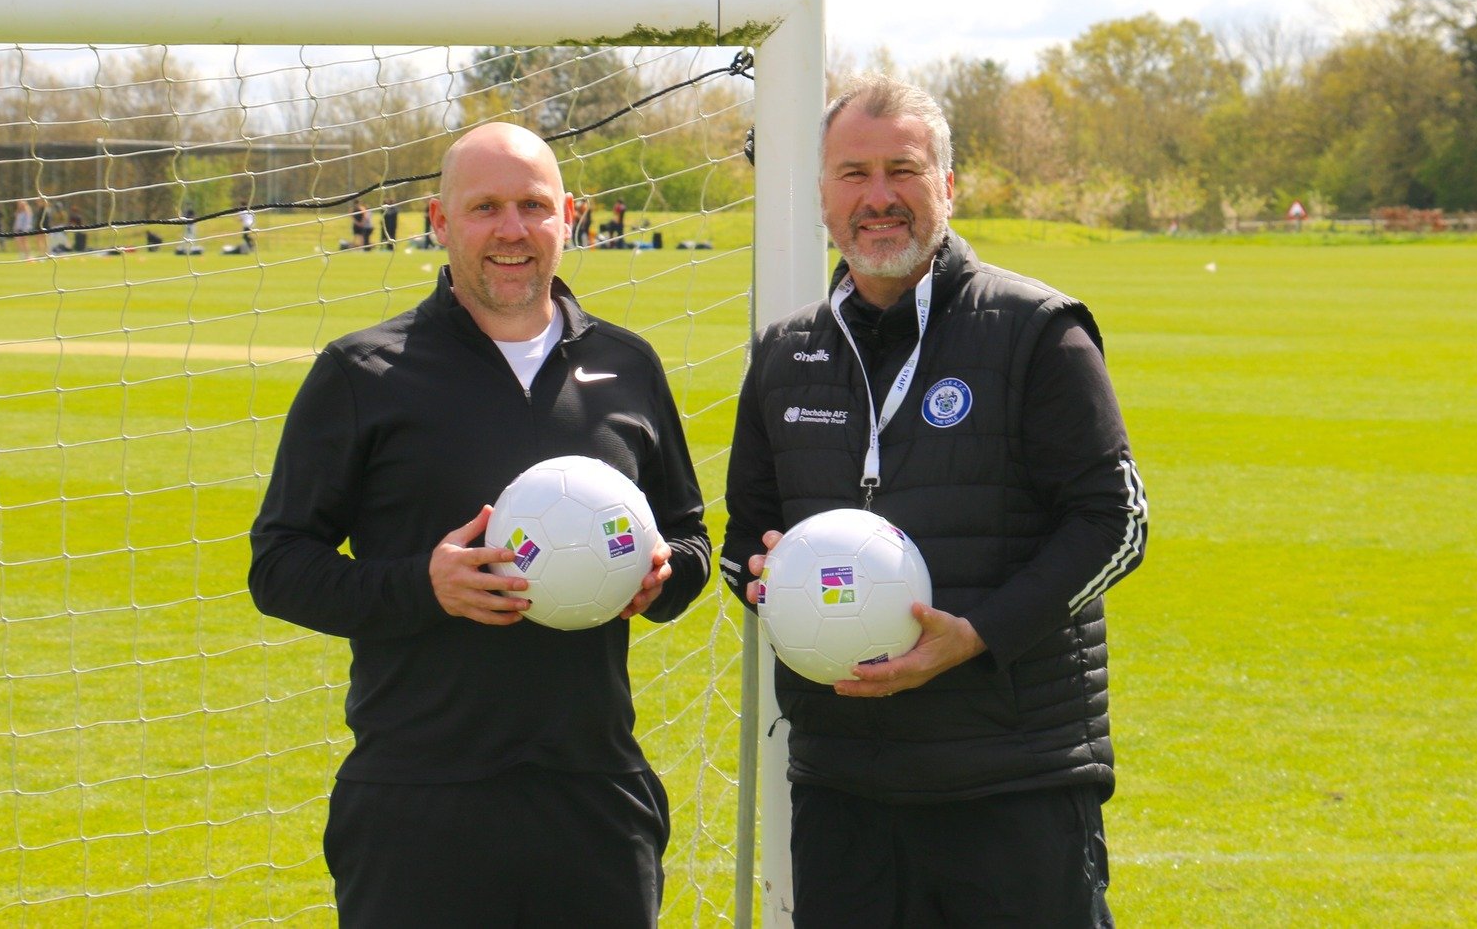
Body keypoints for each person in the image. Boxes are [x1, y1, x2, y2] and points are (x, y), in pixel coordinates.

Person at [249, 122, 711, 929]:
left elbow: (693, 539)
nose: (511, 230)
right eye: (485, 206)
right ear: (439, 219)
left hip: (592, 794)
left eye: (532, 205)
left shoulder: (628, 366)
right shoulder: (364, 371)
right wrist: (423, 586)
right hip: (419, 800)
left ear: (569, 214)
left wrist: (664, 574)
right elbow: (279, 565)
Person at [721, 75, 1148, 929]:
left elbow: (1117, 523)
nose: (878, 197)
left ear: (947, 185)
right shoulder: (783, 352)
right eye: (853, 174)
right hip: (843, 786)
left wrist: (980, 634)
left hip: (1010, 779)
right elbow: (743, 538)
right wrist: (768, 577)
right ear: (820, 196)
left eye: (903, 170)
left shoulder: (1036, 330)